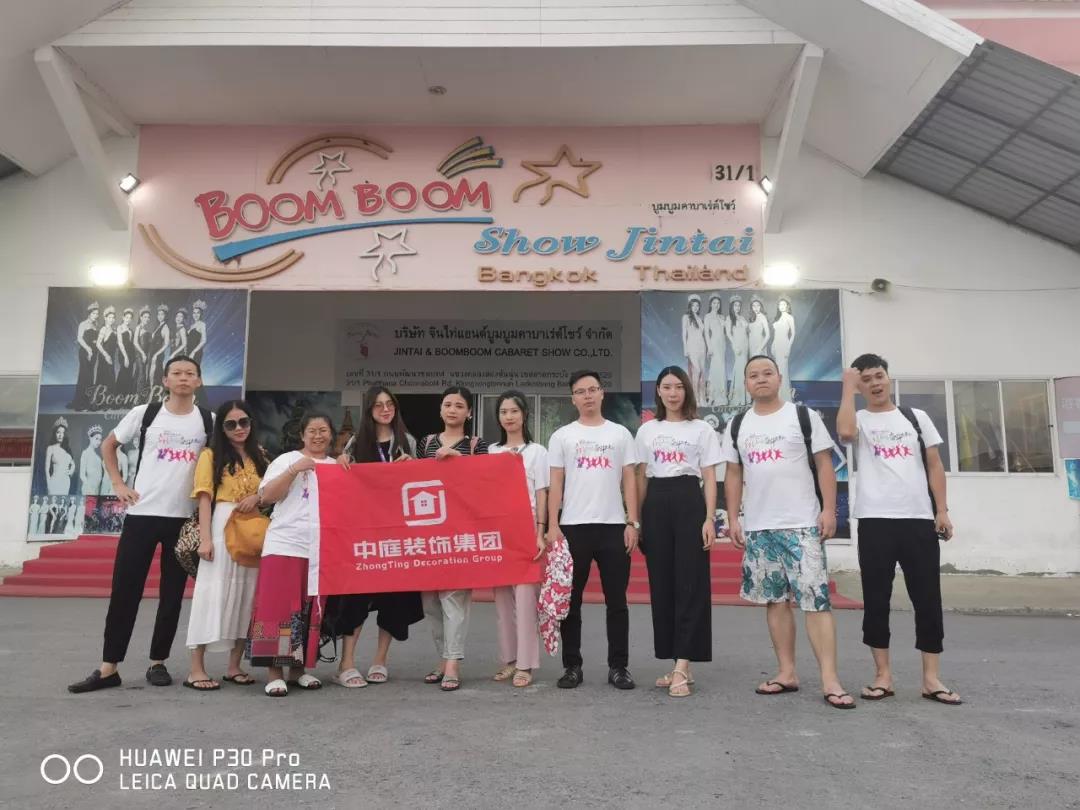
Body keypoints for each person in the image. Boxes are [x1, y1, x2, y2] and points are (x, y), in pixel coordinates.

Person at [68, 355, 213, 693]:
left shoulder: (208, 420)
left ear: (198, 381)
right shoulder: (145, 414)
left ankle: (158, 662)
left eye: (189, 373)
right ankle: (109, 667)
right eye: (176, 373)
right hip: (141, 515)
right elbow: (109, 445)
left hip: (183, 519)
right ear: (165, 380)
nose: (183, 378)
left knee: (172, 596)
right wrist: (118, 483)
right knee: (125, 591)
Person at [723, 355, 855, 709]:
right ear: (746, 384)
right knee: (775, 602)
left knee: (816, 601)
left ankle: (830, 680)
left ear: (779, 378)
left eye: (767, 373)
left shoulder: (802, 416)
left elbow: (825, 465)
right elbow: (733, 473)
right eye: (753, 375)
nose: (761, 379)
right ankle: (786, 672)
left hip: (802, 525)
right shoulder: (738, 424)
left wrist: (828, 510)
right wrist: (733, 518)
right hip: (760, 526)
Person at [837, 353, 960, 706]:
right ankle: (883, 676)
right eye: (866, 380)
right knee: (877, 600)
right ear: (859, 387)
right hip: (875, 521)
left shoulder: (915, 418)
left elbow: (934, 465)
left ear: (888, 378)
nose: (875, 384)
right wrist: (847, 389)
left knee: (928, 599)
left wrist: (941, 510)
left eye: (879, 376)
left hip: (918, 519)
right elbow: (844, 432)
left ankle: (931, 679)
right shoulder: (858, 419)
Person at [547, 370, 640, 690]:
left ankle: (619, 667)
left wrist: (632, 521)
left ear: (602, 393)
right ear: (572, 398)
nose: (587, 395)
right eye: (580, 391)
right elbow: (555, 483)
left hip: (613, 527)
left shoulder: (620, 434)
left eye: (592, 389)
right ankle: (572, 666)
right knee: (571, 602)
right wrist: (553, 525)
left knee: (617, 602)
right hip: (573, 528)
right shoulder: (562, 436)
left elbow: (630, 479)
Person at [327, 386, 424, 688]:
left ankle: (380, 660)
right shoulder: (357, 442)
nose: (385, 409)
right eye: (378, 405)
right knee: (355, 597)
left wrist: (413, 467)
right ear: (369, 410)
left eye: (389, 404)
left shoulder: (408, 442)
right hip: (364, 533)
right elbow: (342, 482)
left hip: (397, 532)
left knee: (394, 599)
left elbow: (422, 483)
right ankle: (346, 663)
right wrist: (341, 463)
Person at [635, 366, 720, 697]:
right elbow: (641, 477)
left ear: (687, 390)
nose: (673, 393)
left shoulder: (701, 429)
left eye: (678, 387)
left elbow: (709, 477)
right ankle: (676, 661)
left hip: (688, 499)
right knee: (663, 585)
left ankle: (684, 664)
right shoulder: (647, 430)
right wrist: (637, 520)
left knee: (690, 582)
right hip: (656, 502)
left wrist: (709, 518)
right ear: (658, 391)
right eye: (667, 387)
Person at [249, 411, 337, 697]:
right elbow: (267, 496)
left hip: (319, 549)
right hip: (284, 544)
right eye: (312, 430)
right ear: (302, 435)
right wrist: (294, 470)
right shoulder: (286, 460)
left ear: (331, 434)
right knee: (277, 609)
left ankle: (299, 671)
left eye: (323, 430)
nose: (318, 436)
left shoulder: (335, 466)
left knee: (308, 609)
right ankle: (275, 673)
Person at [184, 400, 269, 691]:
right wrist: (205, 539)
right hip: (221, 525)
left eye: (244, 422)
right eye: (231, 424)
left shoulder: (260, 455)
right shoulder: (210, 456)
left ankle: (234, 666)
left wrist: (258, 497)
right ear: (221, 428)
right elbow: (204, 498)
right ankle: (196, 668)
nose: (239, 428)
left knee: (247, 594)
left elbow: (271, 492)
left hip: (252, 528)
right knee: (211, 594)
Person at [414, 386, 489, 692]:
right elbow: (414, 479)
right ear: (440, 410)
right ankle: (443, 658)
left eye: (459, 405)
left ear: (469, 412)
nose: (453, 410)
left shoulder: (476, 445)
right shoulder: (426, 443)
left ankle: (453, 663)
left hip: (461, 532)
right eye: (448, 404)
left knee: (454, 599)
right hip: (428, 532)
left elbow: (485, 480)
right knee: (430, 601)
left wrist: (459, 459)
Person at [489, 390, 549, 688]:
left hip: (526, 529)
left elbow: (542, 493)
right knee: (502, 601)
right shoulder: (491, 451)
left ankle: (526, 663)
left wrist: (540, 532)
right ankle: (510, 660)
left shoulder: (537, 452)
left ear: (524, 414)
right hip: (498, 532)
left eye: (514, 411)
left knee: (525, 600)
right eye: (503, 412)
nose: (509, 417)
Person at [70, 302, 100, 411]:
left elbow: (95, 339)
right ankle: (80, 404)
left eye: (97, 314)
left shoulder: (96, 325)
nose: (96, 315)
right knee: (84, 376)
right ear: (89, 314)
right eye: (94, 313)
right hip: (85, 352)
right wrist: (88, 349)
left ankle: (88, 402)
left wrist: (95, 345)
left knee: (90, 377)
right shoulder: (83, 324)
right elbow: (79, 338)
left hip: (94, 353)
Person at [681, 295, 707, 405]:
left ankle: (702, 398)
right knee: (696, 371)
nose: (695, 307)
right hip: (692, 347)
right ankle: (695, 398)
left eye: (697, 305)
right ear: (690, 306)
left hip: (702, 347)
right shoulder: (686, 317)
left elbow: (703, 335)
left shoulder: (700, 319)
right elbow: (684, 334)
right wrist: (685, 349)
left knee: (702, 373)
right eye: (693, 305)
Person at [704, 295, 728, 407]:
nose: (716, 305)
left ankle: (721, 397)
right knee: (714, 369)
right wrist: (709, 347)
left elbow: (725, 332)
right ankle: (711, 396)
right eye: (714, 303)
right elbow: (706, 333)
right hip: (713, 344)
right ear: (711, 304)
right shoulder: (708, 316)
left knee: (721, 369)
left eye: (718, 303)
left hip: (722, 344)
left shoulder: (722, 317)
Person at [726, 296, 749, 408]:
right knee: (740, 368)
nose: (737, 307)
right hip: (737, 345)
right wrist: (735, 346)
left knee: (744, 368)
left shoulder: (742, 318)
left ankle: (745, 396)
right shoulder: (729, 318)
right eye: (735, 305)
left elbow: (746, 332)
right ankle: (738, 397)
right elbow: (729, 334)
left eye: (739, 305)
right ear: (732, 306)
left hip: (745, 345)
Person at [772, 298, 795, 402]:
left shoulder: (789, 317)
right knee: (777, 370)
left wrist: (788, 348)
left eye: (784, 304)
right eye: (780, 304)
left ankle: (785, 397)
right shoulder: (778, 318)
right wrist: (773, 344)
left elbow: (793, 334)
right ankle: (778, 396)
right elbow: (775, 334)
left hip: (784, 345)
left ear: (787, 306)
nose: (782, 306)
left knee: (783, 371)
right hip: (776, 345)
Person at [45, 416, 76, 496]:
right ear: (55, 434)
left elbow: (73, 464)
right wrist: (49, 485)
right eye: (58, 432)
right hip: (54, 482)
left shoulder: (67, 450)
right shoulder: (51, 448)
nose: (60, 435)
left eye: (63, 433)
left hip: (66, 482)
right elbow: (47, 469)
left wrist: (71, 471)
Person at [95, 305, 118, 388]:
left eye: (113, 318)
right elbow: (98, 344)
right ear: (105, 318)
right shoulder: (103, 329)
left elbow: (115, 345)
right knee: (104, 380)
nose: (111, 319)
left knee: (111, 380)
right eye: (109, 317)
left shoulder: (114, 330)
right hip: (104, 358)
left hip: (111, 358)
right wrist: (106, 355)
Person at [116, 308, 137, 396]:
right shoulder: (119, 328)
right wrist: (125, 357)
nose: (128, 319)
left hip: (131, 354)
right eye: (127, 317)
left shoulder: (130, 330)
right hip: (123, 353)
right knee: (123, 373)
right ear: (123, 317)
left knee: (129, 373)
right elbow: (120, 343)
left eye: (130, 318)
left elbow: (131, 344)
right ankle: (119, 395)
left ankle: (126, 397)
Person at [148, 304, 171, 385]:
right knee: (151, 373)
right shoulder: (158, 326)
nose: (160, 316)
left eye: (162, 314)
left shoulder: (165, 327)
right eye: (159, 314)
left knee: (155, 373)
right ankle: (151, 389)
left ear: (165, 316)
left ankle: (155, 389)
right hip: (152, 352)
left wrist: (156, 354)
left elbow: (166, 344)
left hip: (158, 354)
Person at [133, 306, 152, 398]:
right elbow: (135, 342)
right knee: (141, 374)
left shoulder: (146, 330)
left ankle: (134, 395)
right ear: (141, 317)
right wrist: (143, 354)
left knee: (138, 373)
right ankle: (139, 397)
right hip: (139, 355)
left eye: (148, 317)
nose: (147, 319)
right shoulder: (138, 328)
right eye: (145, 317)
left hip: (144, 355)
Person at [189, 299, 208, 368]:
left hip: (196, 352)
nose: (196, 315)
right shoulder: (191, 326)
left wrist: (194, 352)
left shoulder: (202, 324)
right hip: (189, 351)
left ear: (201, 314)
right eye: (194, 313)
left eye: (198, 313)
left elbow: (204, 340)